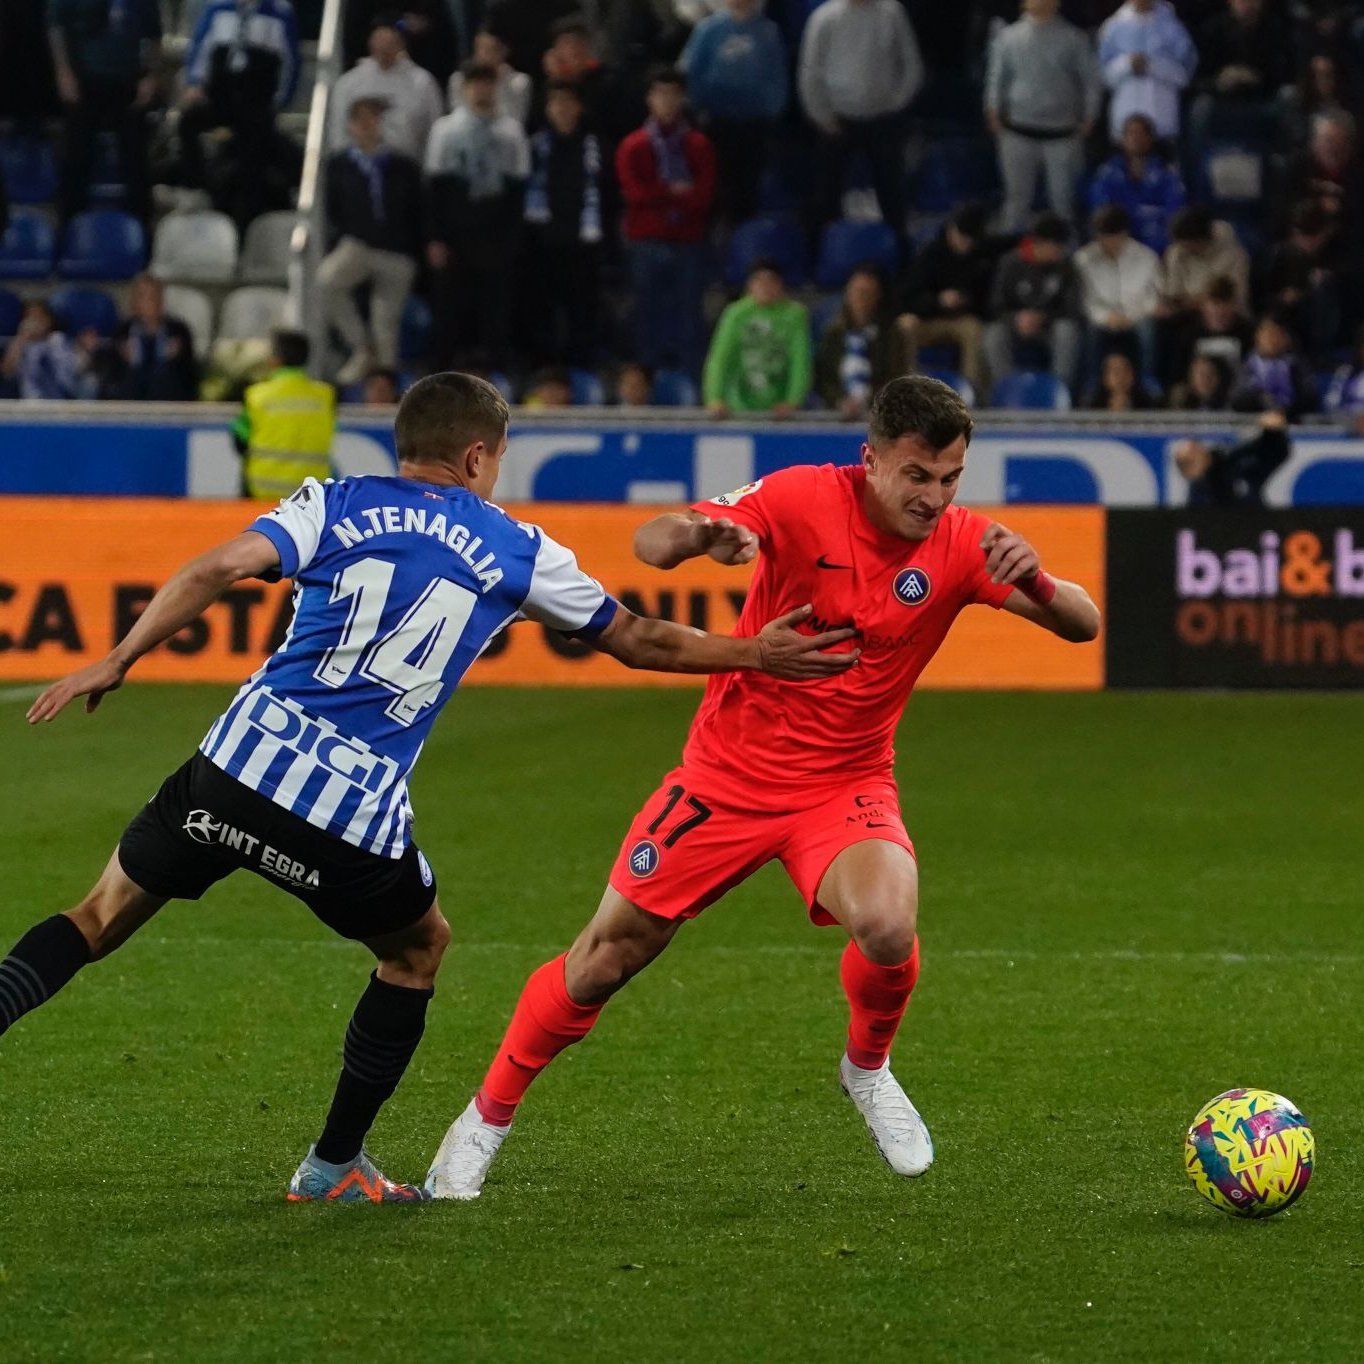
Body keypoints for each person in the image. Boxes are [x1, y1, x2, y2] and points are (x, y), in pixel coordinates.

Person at [8, 372, 854, 1202]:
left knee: (96, 916)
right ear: (478, 456)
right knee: (417, 950)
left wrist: (119, 658)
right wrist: (755, 652)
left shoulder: (332, 502)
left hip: (232, 769)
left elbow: (219, 566)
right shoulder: (516, 548)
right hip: (345, 812)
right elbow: (638, 640)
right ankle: (334, 1166)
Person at [423, 374, 1102, 1201]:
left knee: (888, 925)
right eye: (917, 476)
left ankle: (867, 1070)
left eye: (951, 477)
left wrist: (1038, 581)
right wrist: (703, 535)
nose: (935, 496)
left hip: (847, 783)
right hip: (727, 778)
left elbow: (1084, 623)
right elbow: (652, 542)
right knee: (603, 960)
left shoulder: (963, 543)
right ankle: (484, 1120)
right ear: (870, 460)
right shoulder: (802, 497)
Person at [425, 61, 530, 371]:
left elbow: (518, 188)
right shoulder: (446, 130)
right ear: (464, 88)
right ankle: (445, 372)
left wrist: (512, 238)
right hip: (457, 230)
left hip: (495, 231)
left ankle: (495, 373)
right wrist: (435, 237)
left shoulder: (510, 131)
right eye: (475, 84)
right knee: (451, 308)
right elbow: (435, 187)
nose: (482, 91)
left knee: (494, 308)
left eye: (488, 84)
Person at [616, 67, 716, 376]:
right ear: (649, 99)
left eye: (673, 95)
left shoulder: (698, 145)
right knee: (647, 314)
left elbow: (703, 195)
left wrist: (659, 193)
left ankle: (690, 380)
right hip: (646, 241)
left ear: (683, 99)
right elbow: (635, 194)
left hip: (688, 241)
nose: (667, 101)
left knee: (689, 315)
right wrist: (673, 191)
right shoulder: (633, 146)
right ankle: (647, 382)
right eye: (661, 94)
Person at [798, 0, 924, 242]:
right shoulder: (824, 18)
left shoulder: (892, 12)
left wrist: (896, 102)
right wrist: (822, 116)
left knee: (892, 195)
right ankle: (826, 251)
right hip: (836, 123)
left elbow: (911, 63)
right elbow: (809, 72)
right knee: (827, 197)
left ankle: (898, 252)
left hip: (883, 120)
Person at [320, 96, 423, 385]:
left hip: (396, 250)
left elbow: (417, 209)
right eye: (360, 119)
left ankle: (384, 384)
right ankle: (361, 346)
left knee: (385, 322)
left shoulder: (403, 165)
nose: (367, 125)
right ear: (351, 125)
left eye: (373, 118)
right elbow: (334, 209)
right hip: (358, 244)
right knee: (326, 281)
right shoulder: (339, 164)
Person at [180, 0, 301, 228]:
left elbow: (290, 62)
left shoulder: (279, 12)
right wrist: (195, 82)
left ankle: (245, 214)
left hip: (257, 100)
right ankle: (198, 187)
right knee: (188, 122)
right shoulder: (217, 8)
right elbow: (200, 47)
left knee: (253, 142)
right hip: (221, 96)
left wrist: (280, 101)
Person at [984, 0, 1101, 232]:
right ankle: (1011, 249)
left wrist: (1090, 114)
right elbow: (996, 77)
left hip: (1062, 133)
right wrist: (993, 109)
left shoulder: (1074, 38)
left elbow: (1090, 81)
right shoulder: (1008, 37)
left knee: (1063, 203)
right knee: (1016, 201)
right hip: (1017, 130)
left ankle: (1065, 249)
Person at [47, 0, 161, 225]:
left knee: (135, 161)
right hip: (85, 80)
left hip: (128, 80)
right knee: (77, 158)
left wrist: (150, 76)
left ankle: (141, 227)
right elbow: (57, 27)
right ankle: (70, 224)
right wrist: (63, 73)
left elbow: (154, 35)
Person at [521, 80, 606, 368]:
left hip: (584, 243)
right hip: (543, 242)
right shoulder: (534, 147)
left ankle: (581, 368)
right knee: (542, 310)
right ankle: (544, 371)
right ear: (547, 108)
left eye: (569, 102)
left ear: (579, 108)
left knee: (582, 311)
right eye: (556, 103)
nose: (563, 109)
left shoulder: (595, 148)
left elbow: (607, 194)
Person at [681, 0, 789, 225]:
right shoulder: (708, 29)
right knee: (716, 185)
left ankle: (743, 235)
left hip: (754, 123)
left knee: (747, 187)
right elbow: (691, 72)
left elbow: (777, 76)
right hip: (717, 121)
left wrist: (771, 110)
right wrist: (698, 110)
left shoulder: (768, 31)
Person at [897, 204, 998, 396]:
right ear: (952, 231)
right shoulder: (930, 255)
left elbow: (986, 302)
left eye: (970, 240)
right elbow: (907, 299)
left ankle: (971, 392)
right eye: (962, 237)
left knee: (973, 327)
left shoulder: (980, 256)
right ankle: (906, 389)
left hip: (960, 320)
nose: (965, 244)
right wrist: (938, 301)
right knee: (905, 324)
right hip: (926, 321)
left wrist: (966, 302)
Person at [231, 330, 336, 500]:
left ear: (275, 360)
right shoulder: (326, 396)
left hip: (263, 492)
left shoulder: (256, 396)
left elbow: (240, 441)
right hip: (311, 496)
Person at [983, 212, 1081, 390]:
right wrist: (1016, 318)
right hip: (1014, 326)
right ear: (1040, 244)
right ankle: (1006, 390)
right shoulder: (1010, 262)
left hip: (1049, 327)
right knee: (993, 335)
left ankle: (1059, 391)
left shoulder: (1066, 266)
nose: (1059, 253)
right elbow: (996, 305)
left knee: (1066, 331)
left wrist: (1043, 318)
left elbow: (1071, 308)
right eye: (1055, 248)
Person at [702, 259, 811, 418]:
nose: (765, 287)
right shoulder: (735, 314)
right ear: (750, 285)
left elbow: (800, 361)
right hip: (737, 407)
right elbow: (720, 359)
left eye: (771, 281)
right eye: (759, 281)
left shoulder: (795, 316)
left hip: (779, 409)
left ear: (780, 285)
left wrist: (792, 401)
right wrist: (714, 398)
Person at [330, 17, 444, 161]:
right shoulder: (348, 82)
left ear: (401, 44)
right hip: (358, 165)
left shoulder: (422, 82)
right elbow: (338, 130)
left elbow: (434, 129)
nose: (383, 47)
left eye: (389, 42)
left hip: (408, 164)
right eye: (379, 41)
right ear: (370, 42)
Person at [1074, 204, 1161, 379]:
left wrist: (1131, 315)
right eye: (1105, 239)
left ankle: (1147, 379)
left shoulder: (1146, 257)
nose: (1110, 244)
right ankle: (1092, 382)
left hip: (1136, 316)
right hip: (1101, 319)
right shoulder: (1083, 259)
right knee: (1090, 331)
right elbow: (1084, 299)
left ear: (1125, 234)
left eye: (1115, 239)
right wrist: (1105, 317)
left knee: (1148, 329)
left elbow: (1152, 296)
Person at [1096, 0, 1197, 144]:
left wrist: (1152, 66)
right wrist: (1127, 65)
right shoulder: (1113, 27)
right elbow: (1103, 76)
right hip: (1125, 122)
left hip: (1162, 118)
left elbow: (1184, 74)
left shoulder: (1173, 27)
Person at [1085, 112, 1186, 255]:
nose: (1135, 138)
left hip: (1157, 241)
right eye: (1130, 133)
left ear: (1150, 138)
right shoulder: (1108, 172)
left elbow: (1175, 208)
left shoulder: (1166, 172)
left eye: (1141, 133)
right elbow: (1101, 207)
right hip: (1119, 237)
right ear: (1122, 139)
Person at [814, 266, 906, 418]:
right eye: (856, 291)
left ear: (878, 296)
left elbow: (896, 376)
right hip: (836, 412)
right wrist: (839, 400)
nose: (860, 298)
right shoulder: (833, 334)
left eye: (867, 293)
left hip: (881, 413)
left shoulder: (892, 335)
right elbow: (823, 379)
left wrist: (870, 400)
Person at [1258, 203, 1345, 360]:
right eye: (1302, 235)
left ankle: (1318, 355)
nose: (1306, 242)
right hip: (1285, 320)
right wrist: (1283, 299)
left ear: (1325, 233)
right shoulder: (1277, 256)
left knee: (1323, 289)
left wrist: (1309, 290)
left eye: (1312, 236)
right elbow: (1262, 298)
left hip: (1317, 323)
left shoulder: (1338, 254)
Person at [109, 273, 199, 401]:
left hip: (169, 402)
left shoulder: (179, 332)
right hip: (131, 402)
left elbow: (190, 378)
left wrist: (172, 361)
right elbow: (112, 380)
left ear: (161, 302)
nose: (146, 303)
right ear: (133, 303)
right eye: (140, 297)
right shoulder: (122, 332)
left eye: (151, 297)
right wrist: (128, 364)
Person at [1173, 409, 1290, 505]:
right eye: (1184, 464)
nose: (1190, 465)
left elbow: (1275, 454)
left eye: (1189, 460)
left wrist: (1274, 434)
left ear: (1200, 448)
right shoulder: (1198, 494)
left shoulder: (1232, 458)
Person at [1, 300, 100, 399]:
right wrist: (21, 338)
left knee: (90, 381)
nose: (35, 323)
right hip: (33, 399)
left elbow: (78, 368)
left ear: (49, 320)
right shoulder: (21, 344)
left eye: (39, 318)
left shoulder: (59, 339)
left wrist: (86, 351)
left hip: (65, 396)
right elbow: (7, 371)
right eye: (30, 318)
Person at [1229, 314, 1317, 419]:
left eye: (1277, 334)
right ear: (1257, 337)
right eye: (1267, 334)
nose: (1271, 340)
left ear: (1287, 338)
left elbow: (1309, 398)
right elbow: (1237, 400)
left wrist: (1285, 410)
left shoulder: (1298, 366)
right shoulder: (1247, 366)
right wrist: (1262, 400)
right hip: (1252, 421)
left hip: (1291, 421)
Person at [448, 28, 531, 126]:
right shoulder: (459, 79)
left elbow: (515, 119)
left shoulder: (519, 82)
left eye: (491, 49)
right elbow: (456, 116)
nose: (484, 55)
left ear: (504, 51)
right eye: (480, 48)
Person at [1083, 350, 1156, 411]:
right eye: (1114, 370)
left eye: (1124, 370)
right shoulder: (1091, 407)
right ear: (1104, 377)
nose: (1120, 376)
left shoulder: (1148, 406)